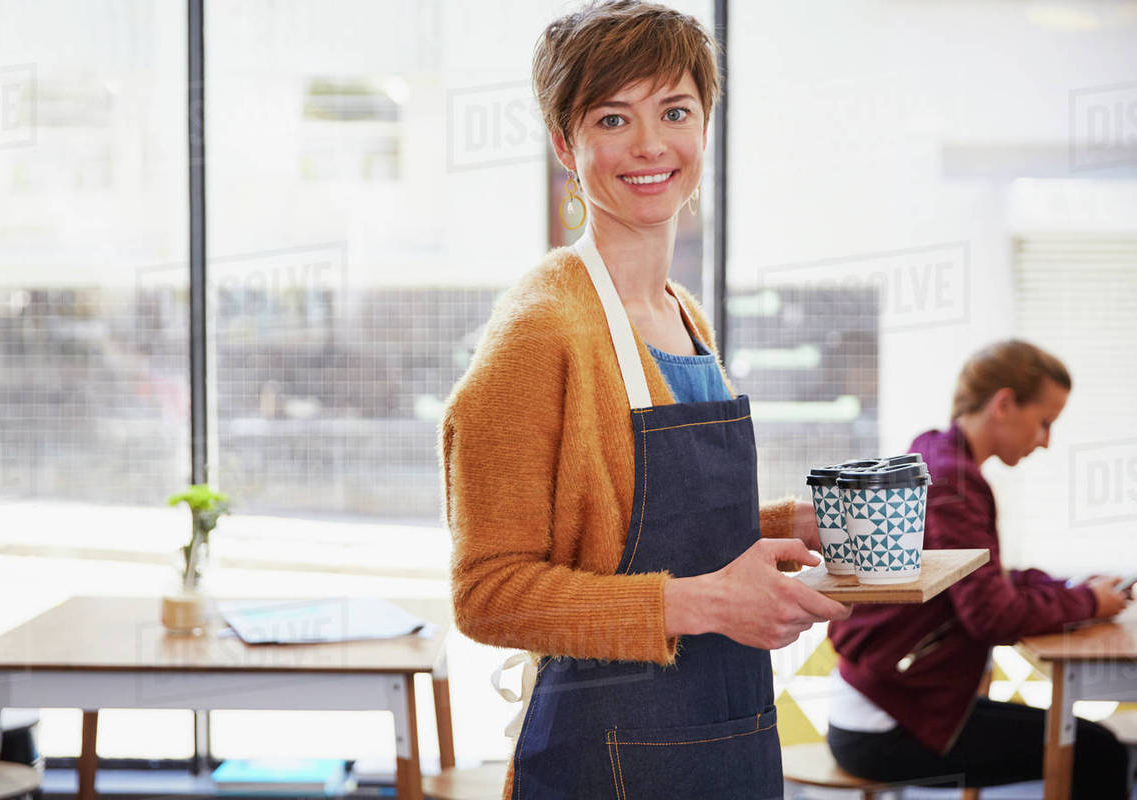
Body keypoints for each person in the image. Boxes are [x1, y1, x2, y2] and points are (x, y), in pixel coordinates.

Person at [440, 3, 850, 798]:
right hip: (605, 757)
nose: (651, 144)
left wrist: (780, 528)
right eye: (612, 118)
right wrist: (706, 604)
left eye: (675, 111)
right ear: (566, 143)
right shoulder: (540, 330)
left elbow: (624, 523)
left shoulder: (682, 313)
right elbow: (486, 591)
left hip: (728, 736)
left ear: (706, 124)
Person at [827, 339, 1131, 798]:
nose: (1046, 441)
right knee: (1099, 751)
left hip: (884, 703)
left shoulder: (937, 457)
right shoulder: (955, 482)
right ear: (1004, 404)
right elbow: (991, 615)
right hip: (886, 724)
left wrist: (1070, 587)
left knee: (1092, 744)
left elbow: (986, 578)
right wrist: (1088, 601)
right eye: (1045, 422)